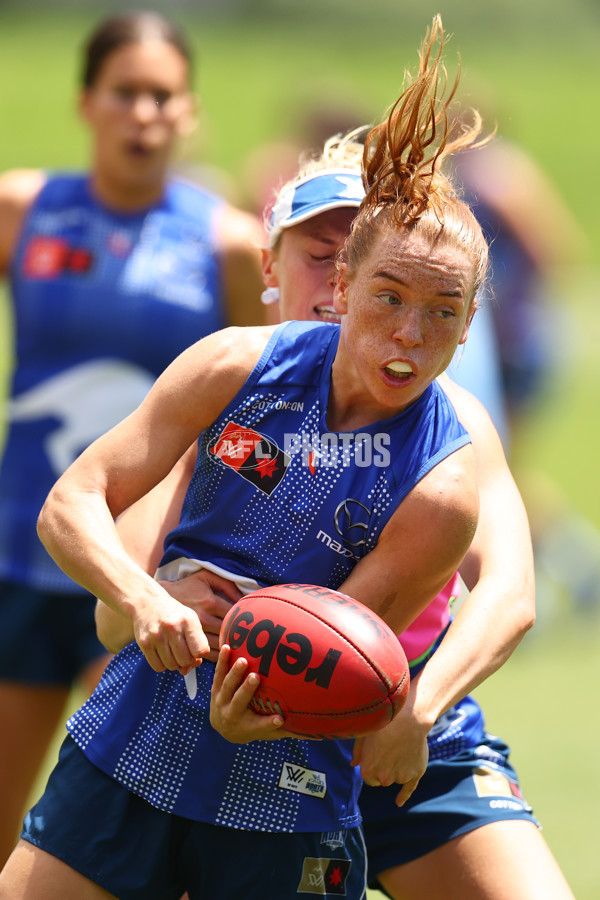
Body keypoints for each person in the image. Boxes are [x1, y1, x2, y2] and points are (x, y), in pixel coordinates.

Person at [0, 17, 571, 900]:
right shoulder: (230, 381)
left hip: (402, 724)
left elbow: (511, 597)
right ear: (282, 266)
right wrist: (164, 601)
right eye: (326, 255)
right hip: (238, 718)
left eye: (434, 305)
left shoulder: (449, 442)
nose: (378, 309)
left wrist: (413, 714)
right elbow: (117, 621)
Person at [0, 9, 265, 868]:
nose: (144, 115)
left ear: (189, 113)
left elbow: (248, 406)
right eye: (127, 94)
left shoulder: (226, 243)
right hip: (22, 556)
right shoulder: (22, 209)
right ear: (88, 103)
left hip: (152, 583)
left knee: (127, 835)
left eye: (164, 97)